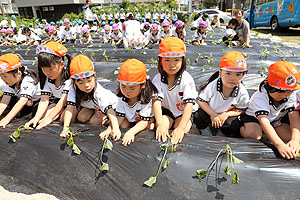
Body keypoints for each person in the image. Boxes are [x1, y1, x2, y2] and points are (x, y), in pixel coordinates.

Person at [240, 61, 300, 159]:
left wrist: (295, 140)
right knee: (254, 135)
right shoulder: (260, 97)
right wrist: (279, 145)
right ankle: (242, 128)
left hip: (275, 120)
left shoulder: (291, 94)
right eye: (280, 92)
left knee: (289, 137)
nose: (284, 95)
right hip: (255, 120)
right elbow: (264, 122)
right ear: (268, 86)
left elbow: (293, 115)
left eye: (288, 92)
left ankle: (269, 134)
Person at [100, 59, 158, 146]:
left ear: (143, 85)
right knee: (123, 125)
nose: (127, 91)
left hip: (145, 120)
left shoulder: (147, 98)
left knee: (150, 127)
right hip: (130, 119)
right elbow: (120, 116)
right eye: (123, 86)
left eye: (132, 88)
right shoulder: (121, 98)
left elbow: (143, 121)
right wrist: (111, 128)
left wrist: (131, 132)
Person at [152, 37, 198, 144]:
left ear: (183, 60)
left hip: (183, 112)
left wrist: (181, 128)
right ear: (160, 61)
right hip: (167, 110)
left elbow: (189, 105)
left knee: (183, 129)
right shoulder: (157, 79)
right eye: (167, 60)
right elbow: (156, 102)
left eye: (176, 60)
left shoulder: (186, 79)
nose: (172, 65)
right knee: (162, 125)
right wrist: (160, 125)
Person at [61, 55, 119, 138]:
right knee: (81, 117)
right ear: (74, 81)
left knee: (94, 122)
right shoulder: (73, 88)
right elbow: (70, 108)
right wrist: (65, 128)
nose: (86, 85)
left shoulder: (98, 91)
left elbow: (109, 109)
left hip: (113, 108)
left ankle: (106, 119)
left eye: (89, 80)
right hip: (94, 107)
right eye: (81, 83)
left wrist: (115, 128)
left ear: (94, 76)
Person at [194, 51, 249, 137]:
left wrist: (226, 115)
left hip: (225, 115)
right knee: (198, 116)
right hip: (210, 113)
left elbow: (242, 109)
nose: (232, 78)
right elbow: (201, 102)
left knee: (234, 124)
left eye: (238, 74)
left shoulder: (242, 92)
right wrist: (213, 114)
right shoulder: (213, 86)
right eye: (228, 73)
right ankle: (205, 129)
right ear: (220, 73)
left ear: (243, 76)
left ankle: (222, 131)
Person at [26, 42, 72, 129]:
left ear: (62, 64)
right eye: (43, 69)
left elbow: (63, 100)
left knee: (65, 117)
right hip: (58, 102)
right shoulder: (47, 78)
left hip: (72, 104)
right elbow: (44, 100)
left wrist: (49, 118)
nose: (47, 73)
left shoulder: (69, 78)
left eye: (50, 69)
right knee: (43, 115)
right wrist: (36, 118)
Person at [0, 54, 40, 128]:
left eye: (5, 76)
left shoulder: (28, 80)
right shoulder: (10, 81)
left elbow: (23, 101)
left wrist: (7, 119)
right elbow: (5, 100)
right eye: (1, 76)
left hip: (35, 102)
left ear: (18, 73)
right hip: (21, 100)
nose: (3, 79)